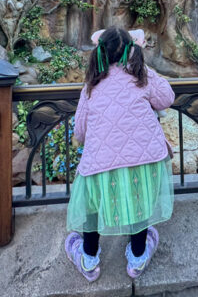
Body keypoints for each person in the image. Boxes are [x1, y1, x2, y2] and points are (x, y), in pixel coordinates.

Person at [65, 27, 175, 282]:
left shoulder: (91, 86)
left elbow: (80, 131)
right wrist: (145, 68)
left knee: (92, 207)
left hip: (100, 162)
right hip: (145, 159)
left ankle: (88, 259)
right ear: (132, 50)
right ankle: (137, 259)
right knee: (141, 201)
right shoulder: (141, 77)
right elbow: (167, 98)